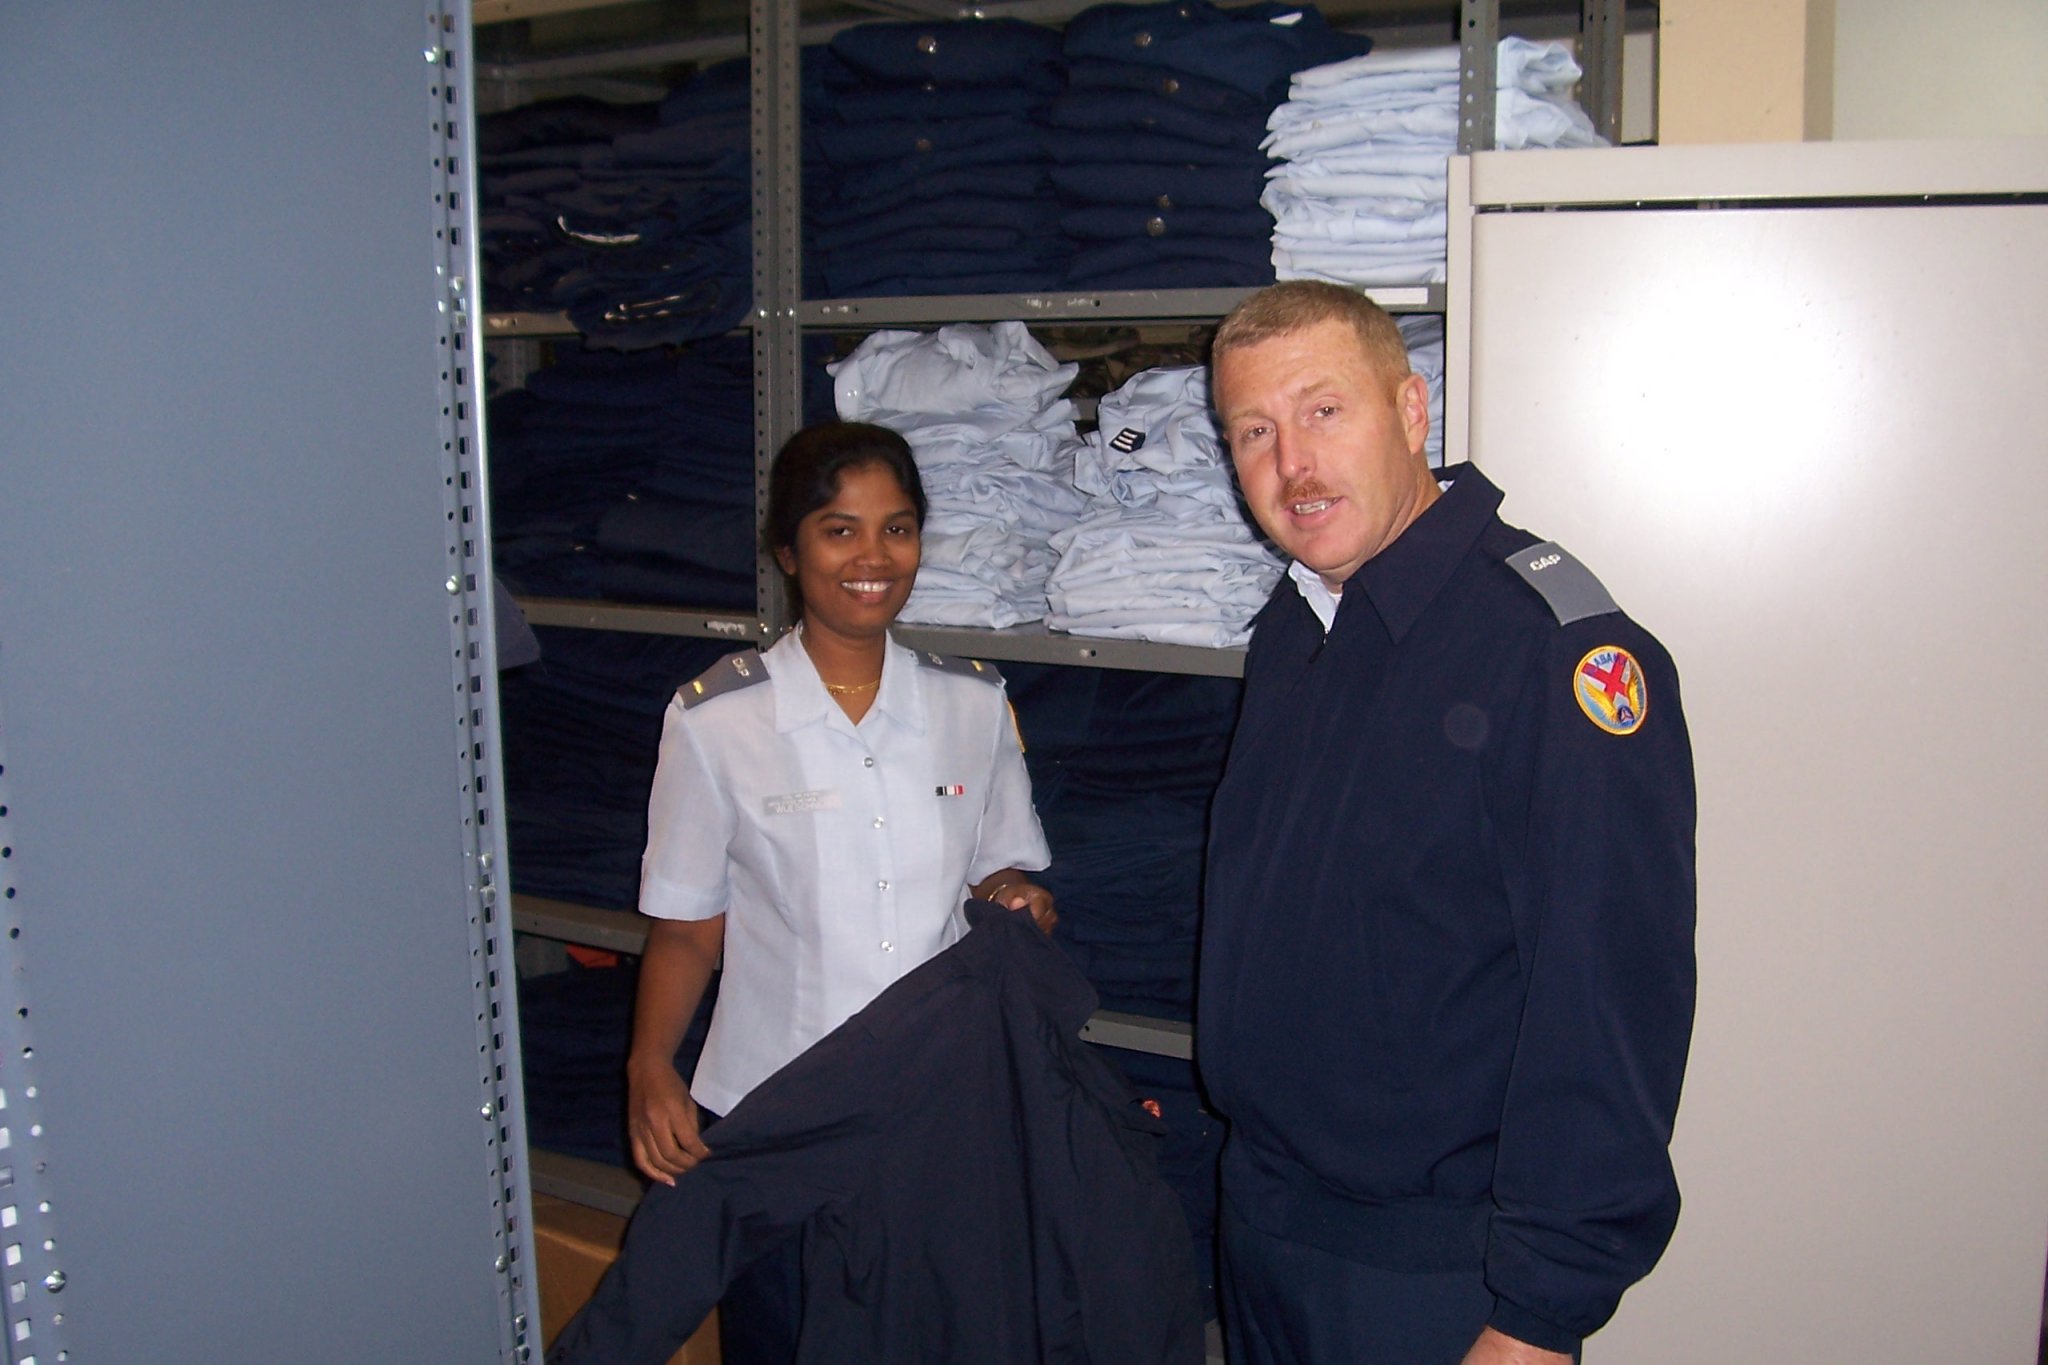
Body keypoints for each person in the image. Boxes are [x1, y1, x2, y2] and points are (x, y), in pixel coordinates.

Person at [1197, 281, 1696, 1364]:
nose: (1291, 465)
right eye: (1253, 431)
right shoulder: (1297, 626)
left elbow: (1608, 1005)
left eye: (1323, 411)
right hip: (1268, 1224)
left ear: (1410, 410)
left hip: (1433, 1276)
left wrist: (1538, 1314)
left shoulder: (1554, 652)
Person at [626, 420, 1055, 1364]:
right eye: (839, 529)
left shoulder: (973, 703)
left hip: (939, 1107)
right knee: (785, 1335)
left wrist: (1016, 897)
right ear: (788, 550)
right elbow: (687, 929)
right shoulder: (717, 721)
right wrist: (650, 1064)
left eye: (897, 529)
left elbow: (997, 870)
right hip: (776, 1111)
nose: (873, 557)